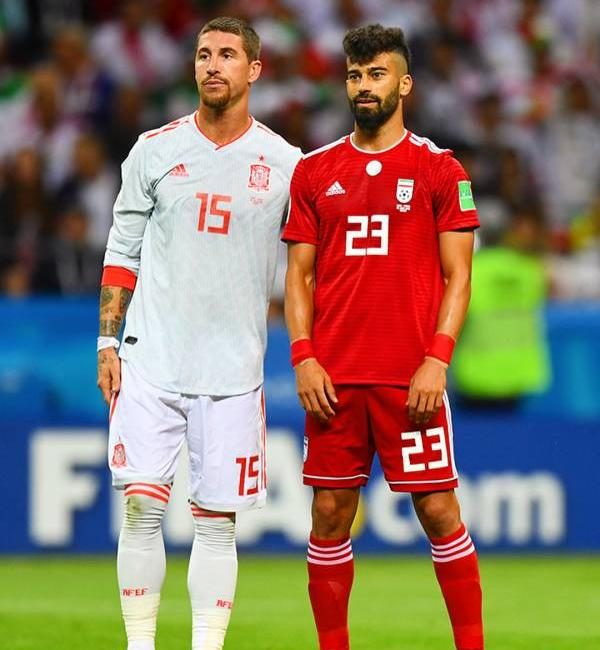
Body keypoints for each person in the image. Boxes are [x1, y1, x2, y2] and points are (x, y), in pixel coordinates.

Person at [97, 17, 301, 650]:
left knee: (216, 524)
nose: (213, 65)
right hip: (150, 360)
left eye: (228, 55)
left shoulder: (286, 164)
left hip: (234, 371)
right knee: (141, 508)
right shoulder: (153, 150)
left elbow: (309, 267)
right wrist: (106, 343)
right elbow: (122, 251)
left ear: (254, 70)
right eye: (204, 54)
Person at [283, 24, 483, 650]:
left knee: (439, 511)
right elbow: (298, 276)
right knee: (329, 514)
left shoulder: (440, 169)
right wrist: (304, 357)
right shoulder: (314, 171)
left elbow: (459, 277)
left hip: (410, 377)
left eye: (376, 74)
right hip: (334, 381)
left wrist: (437, 360)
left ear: (405, 84)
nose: (364, 86)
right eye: (354, 75)